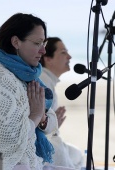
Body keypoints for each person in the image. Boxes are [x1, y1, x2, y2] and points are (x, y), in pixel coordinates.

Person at [0, 13, 64, 170]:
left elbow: (50, 122)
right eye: (37, 43)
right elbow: (9, 139)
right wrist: (36, 116)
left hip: (25, 163)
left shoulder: (28, 77)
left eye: (44, 43)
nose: (43, 50)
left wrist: (41, 118)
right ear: (16, 42)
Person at [39, 37, 83, 170]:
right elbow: (39, 127)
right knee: (77, 157)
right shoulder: (43, 82)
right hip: (43, 145)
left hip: (48, 140)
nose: (69, 57)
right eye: (63, 52)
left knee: (77, 154)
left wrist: (53, 124)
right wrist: (51, 125)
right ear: (47, 58)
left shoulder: (46, 79)